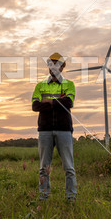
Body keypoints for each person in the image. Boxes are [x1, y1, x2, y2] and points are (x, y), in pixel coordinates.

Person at [31, 52, 77, 201]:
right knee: (44, 168)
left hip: (64, 130)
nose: (53, 67)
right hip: (45, 130)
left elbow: (68, 103)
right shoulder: (40, 85)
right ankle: (43, 197)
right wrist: (58, 101)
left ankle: (71, 198)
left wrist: (48, 101)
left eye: (56, 64)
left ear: (63, 66)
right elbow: (35, 106)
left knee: (69, 168)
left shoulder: (69, 84)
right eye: (50, 64)